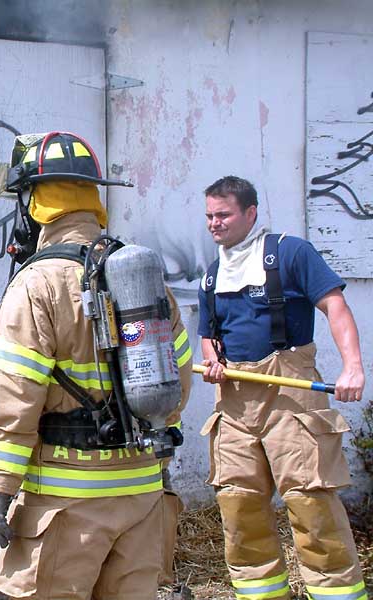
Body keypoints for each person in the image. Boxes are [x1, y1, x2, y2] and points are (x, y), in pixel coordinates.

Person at [0, 132, 192, 600]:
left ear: (32, 201)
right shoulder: (142, 276)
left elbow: (12, 400)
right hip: (143, 498)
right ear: (93, 197)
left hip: (66, 505)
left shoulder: (37, 285)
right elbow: (179, 378)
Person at [198, 175, 367, 600]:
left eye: (223, 214)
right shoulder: (212, 275)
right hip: (235, 399)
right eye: (209, 216)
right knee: (238, 505)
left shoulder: (291, 252)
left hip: (290, 391)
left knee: (310, 502)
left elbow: (336, 306)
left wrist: (353, 368)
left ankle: (337, 593)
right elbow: (208, 333)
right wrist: (214, 361)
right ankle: (262, 594)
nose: (214, 224)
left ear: (250, 213)